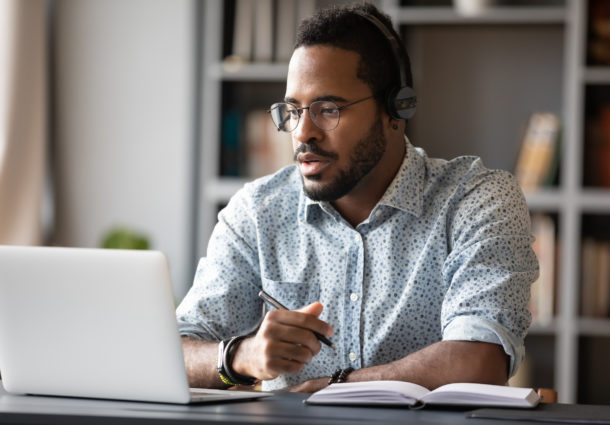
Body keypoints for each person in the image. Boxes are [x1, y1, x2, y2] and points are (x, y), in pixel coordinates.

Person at [176, 2, 538, 393]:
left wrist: (338, 386)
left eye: (328, 109)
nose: (302, 133)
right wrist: (240, 356)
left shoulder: (477, 200)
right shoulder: (258, 211)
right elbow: (174, 351)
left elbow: (478, 361)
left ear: (396, 108)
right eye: (293, 110)